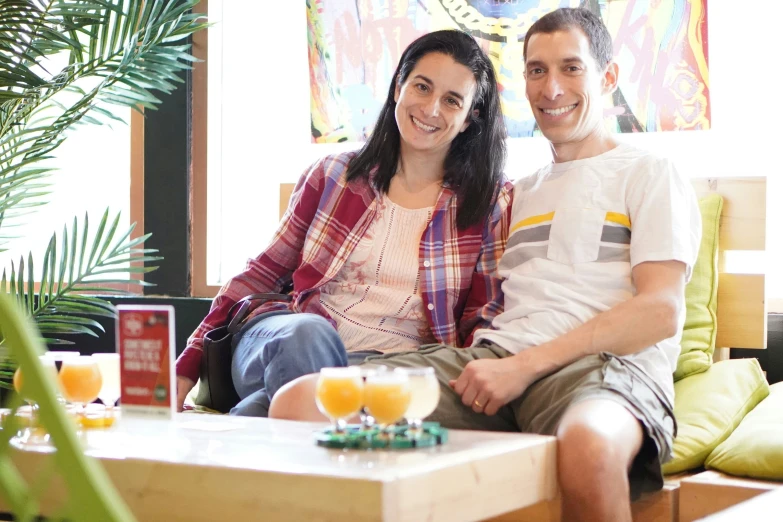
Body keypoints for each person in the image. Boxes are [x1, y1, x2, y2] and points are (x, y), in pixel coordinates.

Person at [270, 8, 702, 521]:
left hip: (600, 372)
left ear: (607, 77)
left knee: (588, 446)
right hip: (493, 366)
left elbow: (659, 312)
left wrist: (524, 367)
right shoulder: (517, 194)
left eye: (571, 68)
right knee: (301, 403)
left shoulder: (650, 172)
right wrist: (500, 364)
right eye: (537, 70)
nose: (552, 87)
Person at [175, 30, 512, 417]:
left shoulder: (489, 205)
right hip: (284, 337)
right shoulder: (334, 176)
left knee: (260, 414)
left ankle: (275, 427)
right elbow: (260, 274)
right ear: (399, 86)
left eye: (452, 100)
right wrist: (185, 368)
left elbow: (482, 321)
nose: (431, 108)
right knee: (309, 336)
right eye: (422, 86)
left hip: (381, 370)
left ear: (471, 118)